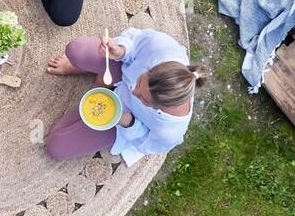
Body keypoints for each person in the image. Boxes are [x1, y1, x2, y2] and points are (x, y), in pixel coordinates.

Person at [43, 27, 204, 163]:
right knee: (75, 49)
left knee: (55, 147)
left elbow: (144, 143)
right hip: (120, 71)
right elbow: (135, 40)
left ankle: (99, 81)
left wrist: (128, 122)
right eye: (140, 81)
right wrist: (120, 51)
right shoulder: (161, 48)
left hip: (121, 119)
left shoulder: (168, 133)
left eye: (143, 100)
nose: (134, 91)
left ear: (160, 107)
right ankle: (88, 72)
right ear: (151, 68)